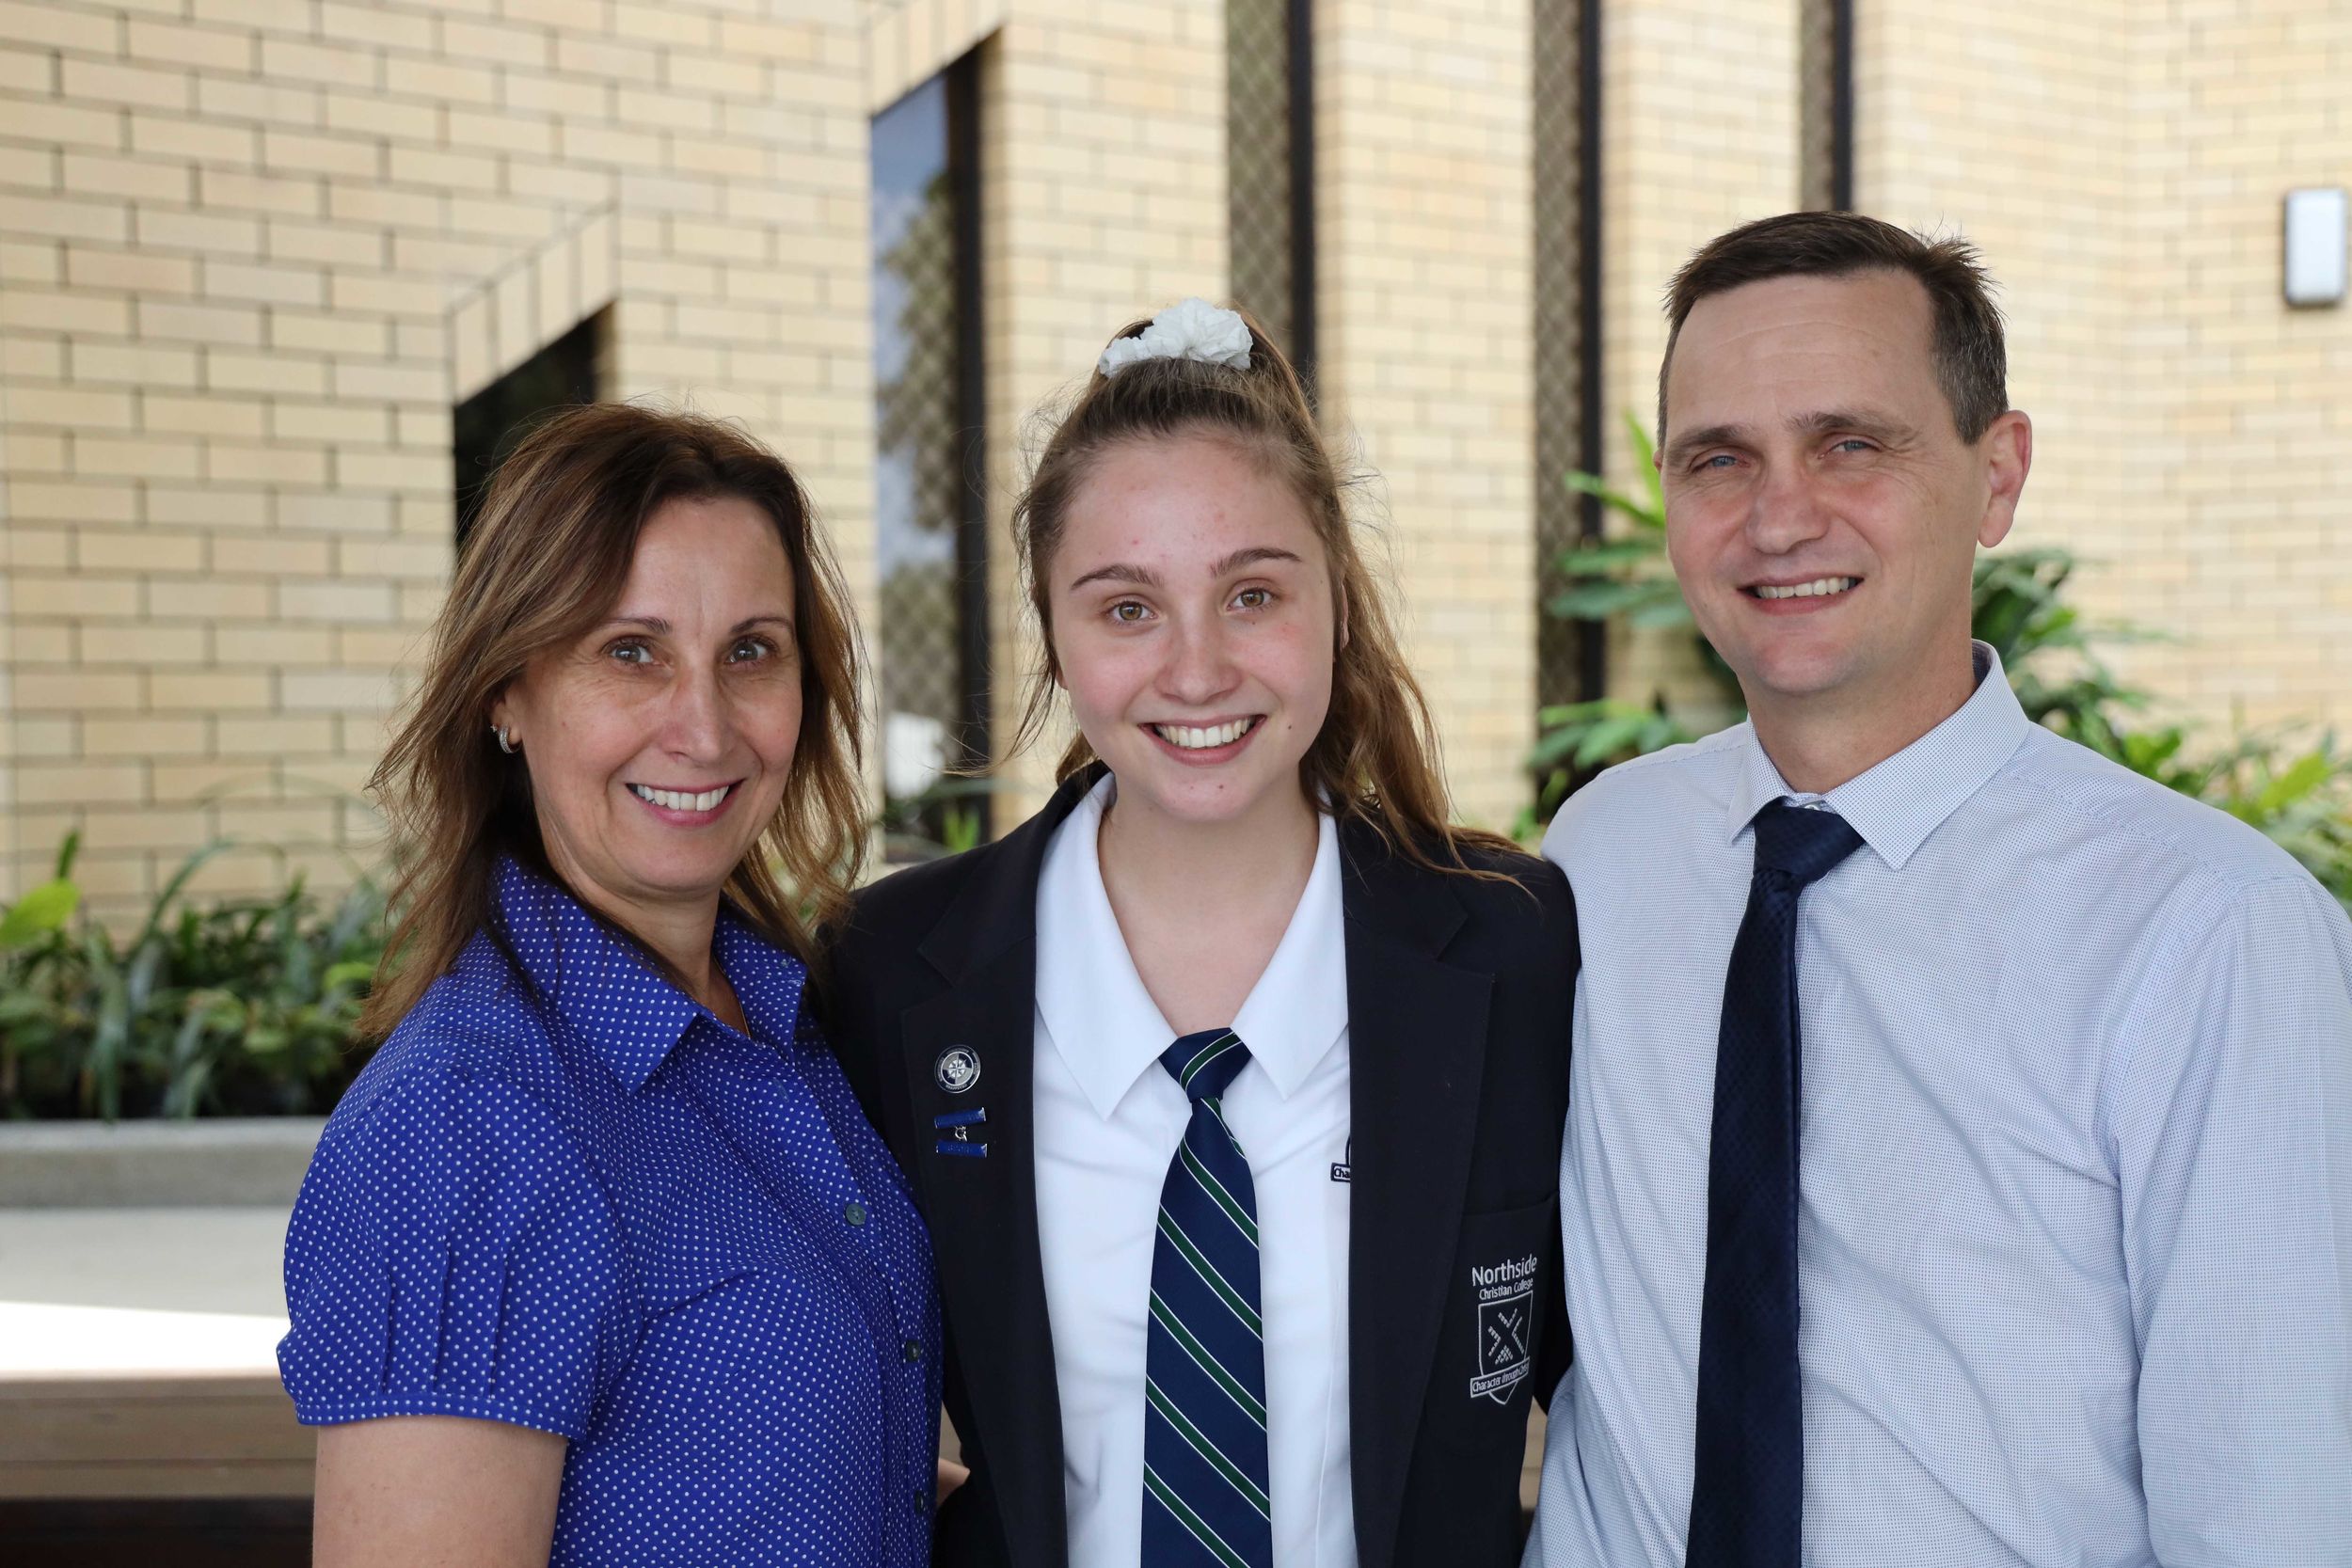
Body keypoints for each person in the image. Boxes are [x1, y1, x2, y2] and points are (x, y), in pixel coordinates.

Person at [1524, 211, 2352, 1568]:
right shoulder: (1602, 854)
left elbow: (2271, 1512)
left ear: (1998, 475)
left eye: (1851, 443)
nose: (1779, 516)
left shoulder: (2211, 933)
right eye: (1717, 458)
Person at [826, 299, 1577, 1568]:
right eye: (1127, 608)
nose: (1196, 669)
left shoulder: (1516, 945)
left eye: (1253, 593)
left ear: (1338, 602)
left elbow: (1627, 1378)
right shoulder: (888, 971)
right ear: (1054, 631)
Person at [278, 404, 941, 1566]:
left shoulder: (785, 1025)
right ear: (505, 691)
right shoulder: (466, 1124)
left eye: (751, 651)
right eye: (631, 650)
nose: (703, 727)